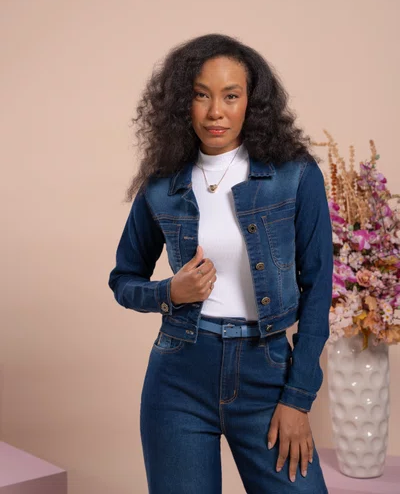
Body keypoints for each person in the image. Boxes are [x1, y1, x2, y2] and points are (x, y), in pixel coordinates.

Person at [108, 33, 333, 494]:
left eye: (231, 96)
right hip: (179, 376)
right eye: (201, 95)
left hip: (267, 370)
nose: (216, 112)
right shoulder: (161, 185)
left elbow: (318, 289)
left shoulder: (295, 175)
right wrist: (169, 293)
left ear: (252, 101)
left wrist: (298, 397)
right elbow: (123, 279)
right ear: (181, 103)